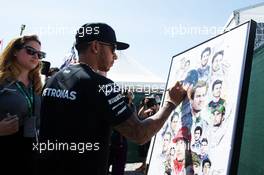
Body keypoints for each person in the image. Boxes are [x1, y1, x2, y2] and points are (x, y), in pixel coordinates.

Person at [38, 22, 187, 175]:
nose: (115, 56)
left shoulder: (52, 80)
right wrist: (170, 103)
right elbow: (139, 133)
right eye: (113, 48)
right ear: (95, 47)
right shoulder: (101, 85)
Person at [0, 35, 45, 174]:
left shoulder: (37, 85)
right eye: (30, 51)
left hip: (31, 158)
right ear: (14, 51)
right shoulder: (2, 82)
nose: (36, 56)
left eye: (40, 54)